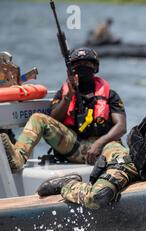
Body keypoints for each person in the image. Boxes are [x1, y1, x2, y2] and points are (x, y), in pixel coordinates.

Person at [0, 47, 137, 209]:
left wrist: (99, 143)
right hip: (74, 146)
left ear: (95, 68)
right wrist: (68, 96)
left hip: (103, 148)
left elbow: (121, 126)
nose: (82, 67)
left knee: (117, 149)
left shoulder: (110, 95)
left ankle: (109, 184)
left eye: (87, 63)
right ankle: (17, 157)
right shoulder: (64, 93)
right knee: (38, 118)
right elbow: (53, 120)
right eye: (77, 64)